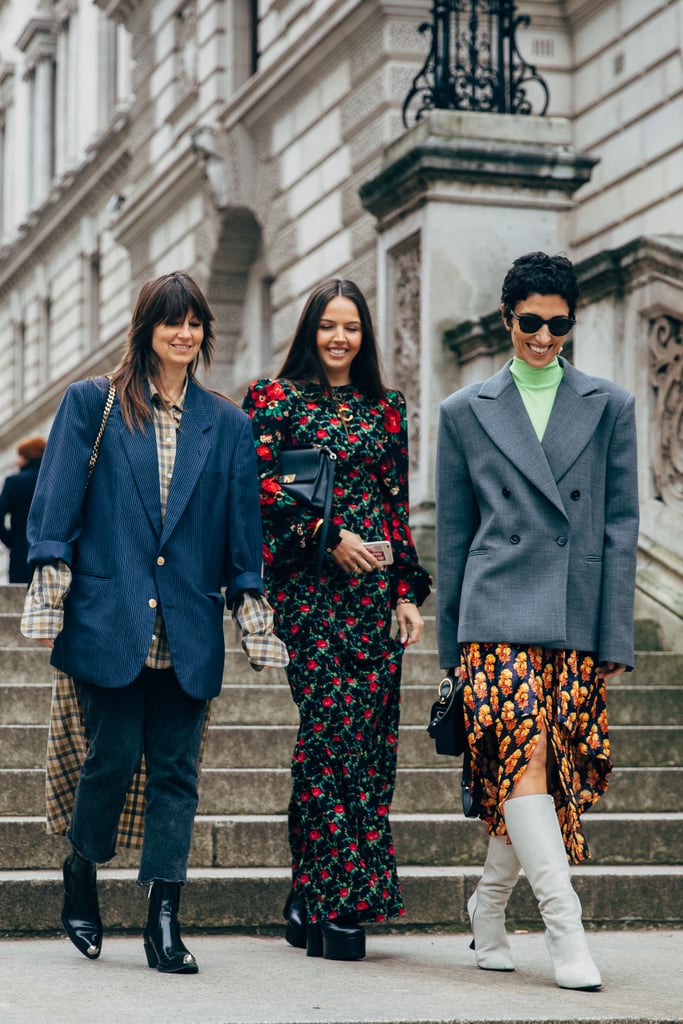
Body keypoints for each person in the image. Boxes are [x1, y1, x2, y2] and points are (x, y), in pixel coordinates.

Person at [21, 271, 288, 973]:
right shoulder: (94, 404)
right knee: (110, 759)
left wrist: (249, 603)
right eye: (171, 321)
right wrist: (51, 583)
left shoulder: (226, 422)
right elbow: (55, 506)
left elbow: (240, 527)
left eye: (195, 322)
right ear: (146, 328)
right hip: (109, 616)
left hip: (189, 622)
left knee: (176, 772)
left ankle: (163, 919)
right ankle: (81, 868)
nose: (184, 334)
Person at [435, 251, 639, 990]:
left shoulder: (609, 405)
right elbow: (454, 535)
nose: (544, 337)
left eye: (558, 325)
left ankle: (486, 907)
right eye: (530, 322)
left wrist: (612, 633)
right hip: (493, 613)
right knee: (523, 758)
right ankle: (566, 930)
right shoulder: (463, 412)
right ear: (505, 318)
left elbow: (620, 525)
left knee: (549, 772)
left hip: (574, 613)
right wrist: (449, 646)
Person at [243, 278, 431, 961]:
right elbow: (257, 487)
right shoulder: (274, 399)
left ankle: (309, 893)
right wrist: (327, 533)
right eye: (328, 325)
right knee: (326, 739)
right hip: (308, 592)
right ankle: (339, 902)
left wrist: (406, 591)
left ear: (364, 335)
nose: (339, 338)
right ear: (309, 330)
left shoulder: (386, 408)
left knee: (369, 748)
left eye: (351, 327)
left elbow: (393, 502)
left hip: (373, 597)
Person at [0, 436, 46, 582]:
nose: (17, 461)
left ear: (28, 457)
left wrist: (11, 540)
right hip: (50, 552)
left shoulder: (14, 482)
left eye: (20, 456)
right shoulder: (52, 482)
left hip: (21, 553)